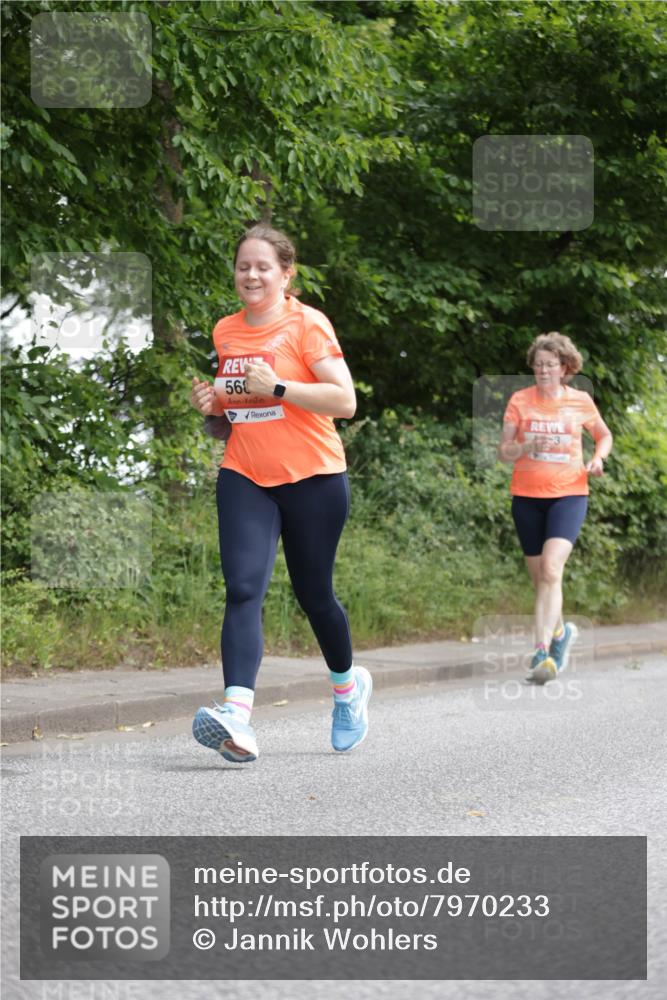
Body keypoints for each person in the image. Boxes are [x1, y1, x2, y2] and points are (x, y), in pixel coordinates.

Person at [189, 223, 371, 762]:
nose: (251, 275)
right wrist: (214, 407)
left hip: (314, 476)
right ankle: (237, 717)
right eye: (243, 266)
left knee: (315, 596)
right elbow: (239, 413)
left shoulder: (307, 324)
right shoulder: (226, 331)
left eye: (263, 267)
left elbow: (345, 401)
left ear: (285, 274)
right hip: (246, 474)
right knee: (243, 588)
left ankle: (347, 690)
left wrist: (281, 387)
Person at [499, 332, 613, 682]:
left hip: (569, 495)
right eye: (538, 364)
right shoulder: (520, 400)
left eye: (550, 365)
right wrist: (527, 445)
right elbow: (504, 451)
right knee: (542, 580)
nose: (543, 370)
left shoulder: (580, 401)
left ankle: (542, 652)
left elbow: (604, 435)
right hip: (527, 498)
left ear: (565, 368)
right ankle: (562, 633)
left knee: (551, 569)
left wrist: (598, 459)